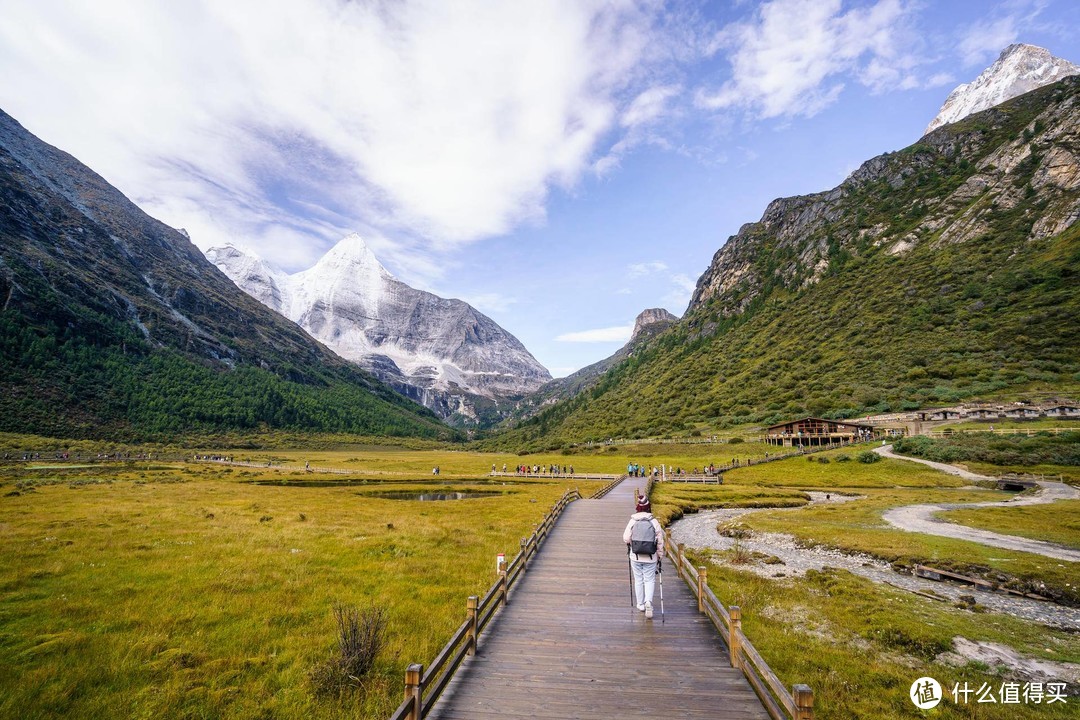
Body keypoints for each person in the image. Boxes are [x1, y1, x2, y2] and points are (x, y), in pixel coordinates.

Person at [623, 494, 664, 619]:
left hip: (635, 556)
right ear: (648, 507)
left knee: (639, 579)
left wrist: (633, 542)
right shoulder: (654, 522)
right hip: (651, 557)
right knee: (649, 579)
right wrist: (660, 555)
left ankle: (640, 604)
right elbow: (660, 541)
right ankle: (648, 602)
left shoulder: (633, 521)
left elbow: (625, 538)